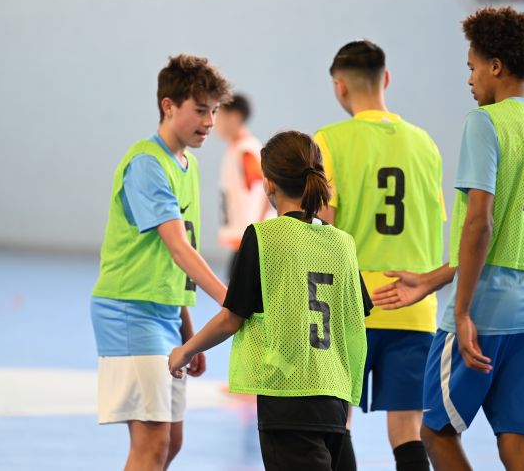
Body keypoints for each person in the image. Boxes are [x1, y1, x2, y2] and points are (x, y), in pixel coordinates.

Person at [372, 6, 524, 470]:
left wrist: (461, 311)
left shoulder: (485, 123)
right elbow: (510, 242)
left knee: (435, 430)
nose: (469, 79)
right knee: (517, 441)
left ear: (495, 66)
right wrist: (432, 279)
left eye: (472, 67)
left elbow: (480, 224)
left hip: (485, 305)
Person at [168, 130, 372, 471]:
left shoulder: (263, 237)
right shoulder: (342, 243)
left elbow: (231, 318)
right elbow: (355, 316)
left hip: (287, 399)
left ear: (268, 183)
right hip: (335, 401)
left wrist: (185, 350)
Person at [90, 54, 231, 471]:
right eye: (200, 110)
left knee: (171, 444)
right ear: (168, 106)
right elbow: (179, 249)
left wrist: (189, 332)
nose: (209, 122)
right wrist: (231, 301)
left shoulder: (188, 164)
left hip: (165, 314)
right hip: (130, 310)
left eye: (214, 111)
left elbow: (173, 263)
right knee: (152, 445)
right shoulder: (147, 164)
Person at [313, 40, 445, 471]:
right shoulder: (425, 144)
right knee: (408, 429)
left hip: (350, 304)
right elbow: (434, 222)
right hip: (414, 308)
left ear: (339, 86)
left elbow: (323, 227)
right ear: (385, 79)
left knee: (337, 421)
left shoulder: (329, 141)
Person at [215, 93, 273, 275]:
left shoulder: (246, 150)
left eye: (219, 115)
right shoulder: (235, 148)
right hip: (243, 236)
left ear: (235, 117)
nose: (214, 122)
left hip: (251, 237)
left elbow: (268, 187)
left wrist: (259, 226)